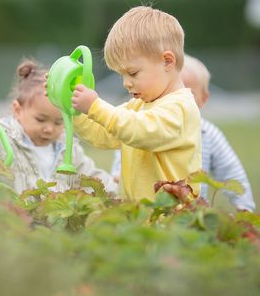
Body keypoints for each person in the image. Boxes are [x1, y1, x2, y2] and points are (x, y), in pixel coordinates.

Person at [69, 5, 202, 202]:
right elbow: (103, 133)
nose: (126, 83)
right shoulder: (140, 106)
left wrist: (95, 106)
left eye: (132, 73)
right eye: (121, 75)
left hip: (169, 219)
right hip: (139, 215)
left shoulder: (180, 108)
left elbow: (139, 131)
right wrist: (76, 108)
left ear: (167, 62)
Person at [109, 55, 256, 211]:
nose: (177, 99)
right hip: (146, 208)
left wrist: (244, 209)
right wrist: (119, 175)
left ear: (203, 99)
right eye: (169, 93)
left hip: (189, 214)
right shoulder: (143, 125)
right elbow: (124, 155)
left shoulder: (208, 133)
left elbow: (233, 173)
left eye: (188, 93)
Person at [0, 59, 117, 195]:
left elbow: (91, 175)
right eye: (40, 120)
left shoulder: (68, 149)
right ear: (17, 110)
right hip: (12, 218)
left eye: (58, 122)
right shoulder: (3, 137)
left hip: (52, 219)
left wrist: (112, 191)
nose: (49, 129)